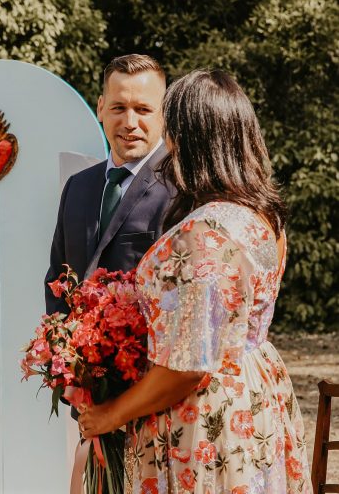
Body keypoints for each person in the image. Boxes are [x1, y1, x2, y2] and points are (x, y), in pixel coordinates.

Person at [78, 70, 312, 494]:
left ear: (189, 139)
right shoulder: (265, 219)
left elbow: (187, 367)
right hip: (254, 398)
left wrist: (110, 414)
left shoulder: (202, 235)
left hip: (203, 422)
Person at [45, 52, 173, 315]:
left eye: (143, 110)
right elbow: (58, 278)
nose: (129, 123)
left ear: (164, 114)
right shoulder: (76, 187)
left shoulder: (180, 188)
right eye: (119, 108)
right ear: (101, 108)